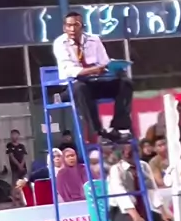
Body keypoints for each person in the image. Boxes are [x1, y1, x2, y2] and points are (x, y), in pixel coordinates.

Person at [53, 11, 133, 142]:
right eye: (69, 25)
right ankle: (98, 132)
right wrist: (93, 70)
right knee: (80, 88)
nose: (72, 29)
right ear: (64, 28)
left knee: (125, 82)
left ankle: (119, 127)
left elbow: (104, 62)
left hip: (95, 81)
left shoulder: (94, 40)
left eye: (76, 25)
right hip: (72, 85)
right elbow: (69, 70)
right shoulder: (60, 43)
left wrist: (113, 68)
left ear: (82, 26)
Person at [108, 144, 174, 221]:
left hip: (141, 208)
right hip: (120, 210)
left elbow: (152, 189)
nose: (128, 153)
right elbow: (121, 195)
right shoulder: (116, 169)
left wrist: (163, 212)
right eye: (126, 152)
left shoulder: (144, 166)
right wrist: (135, 215)